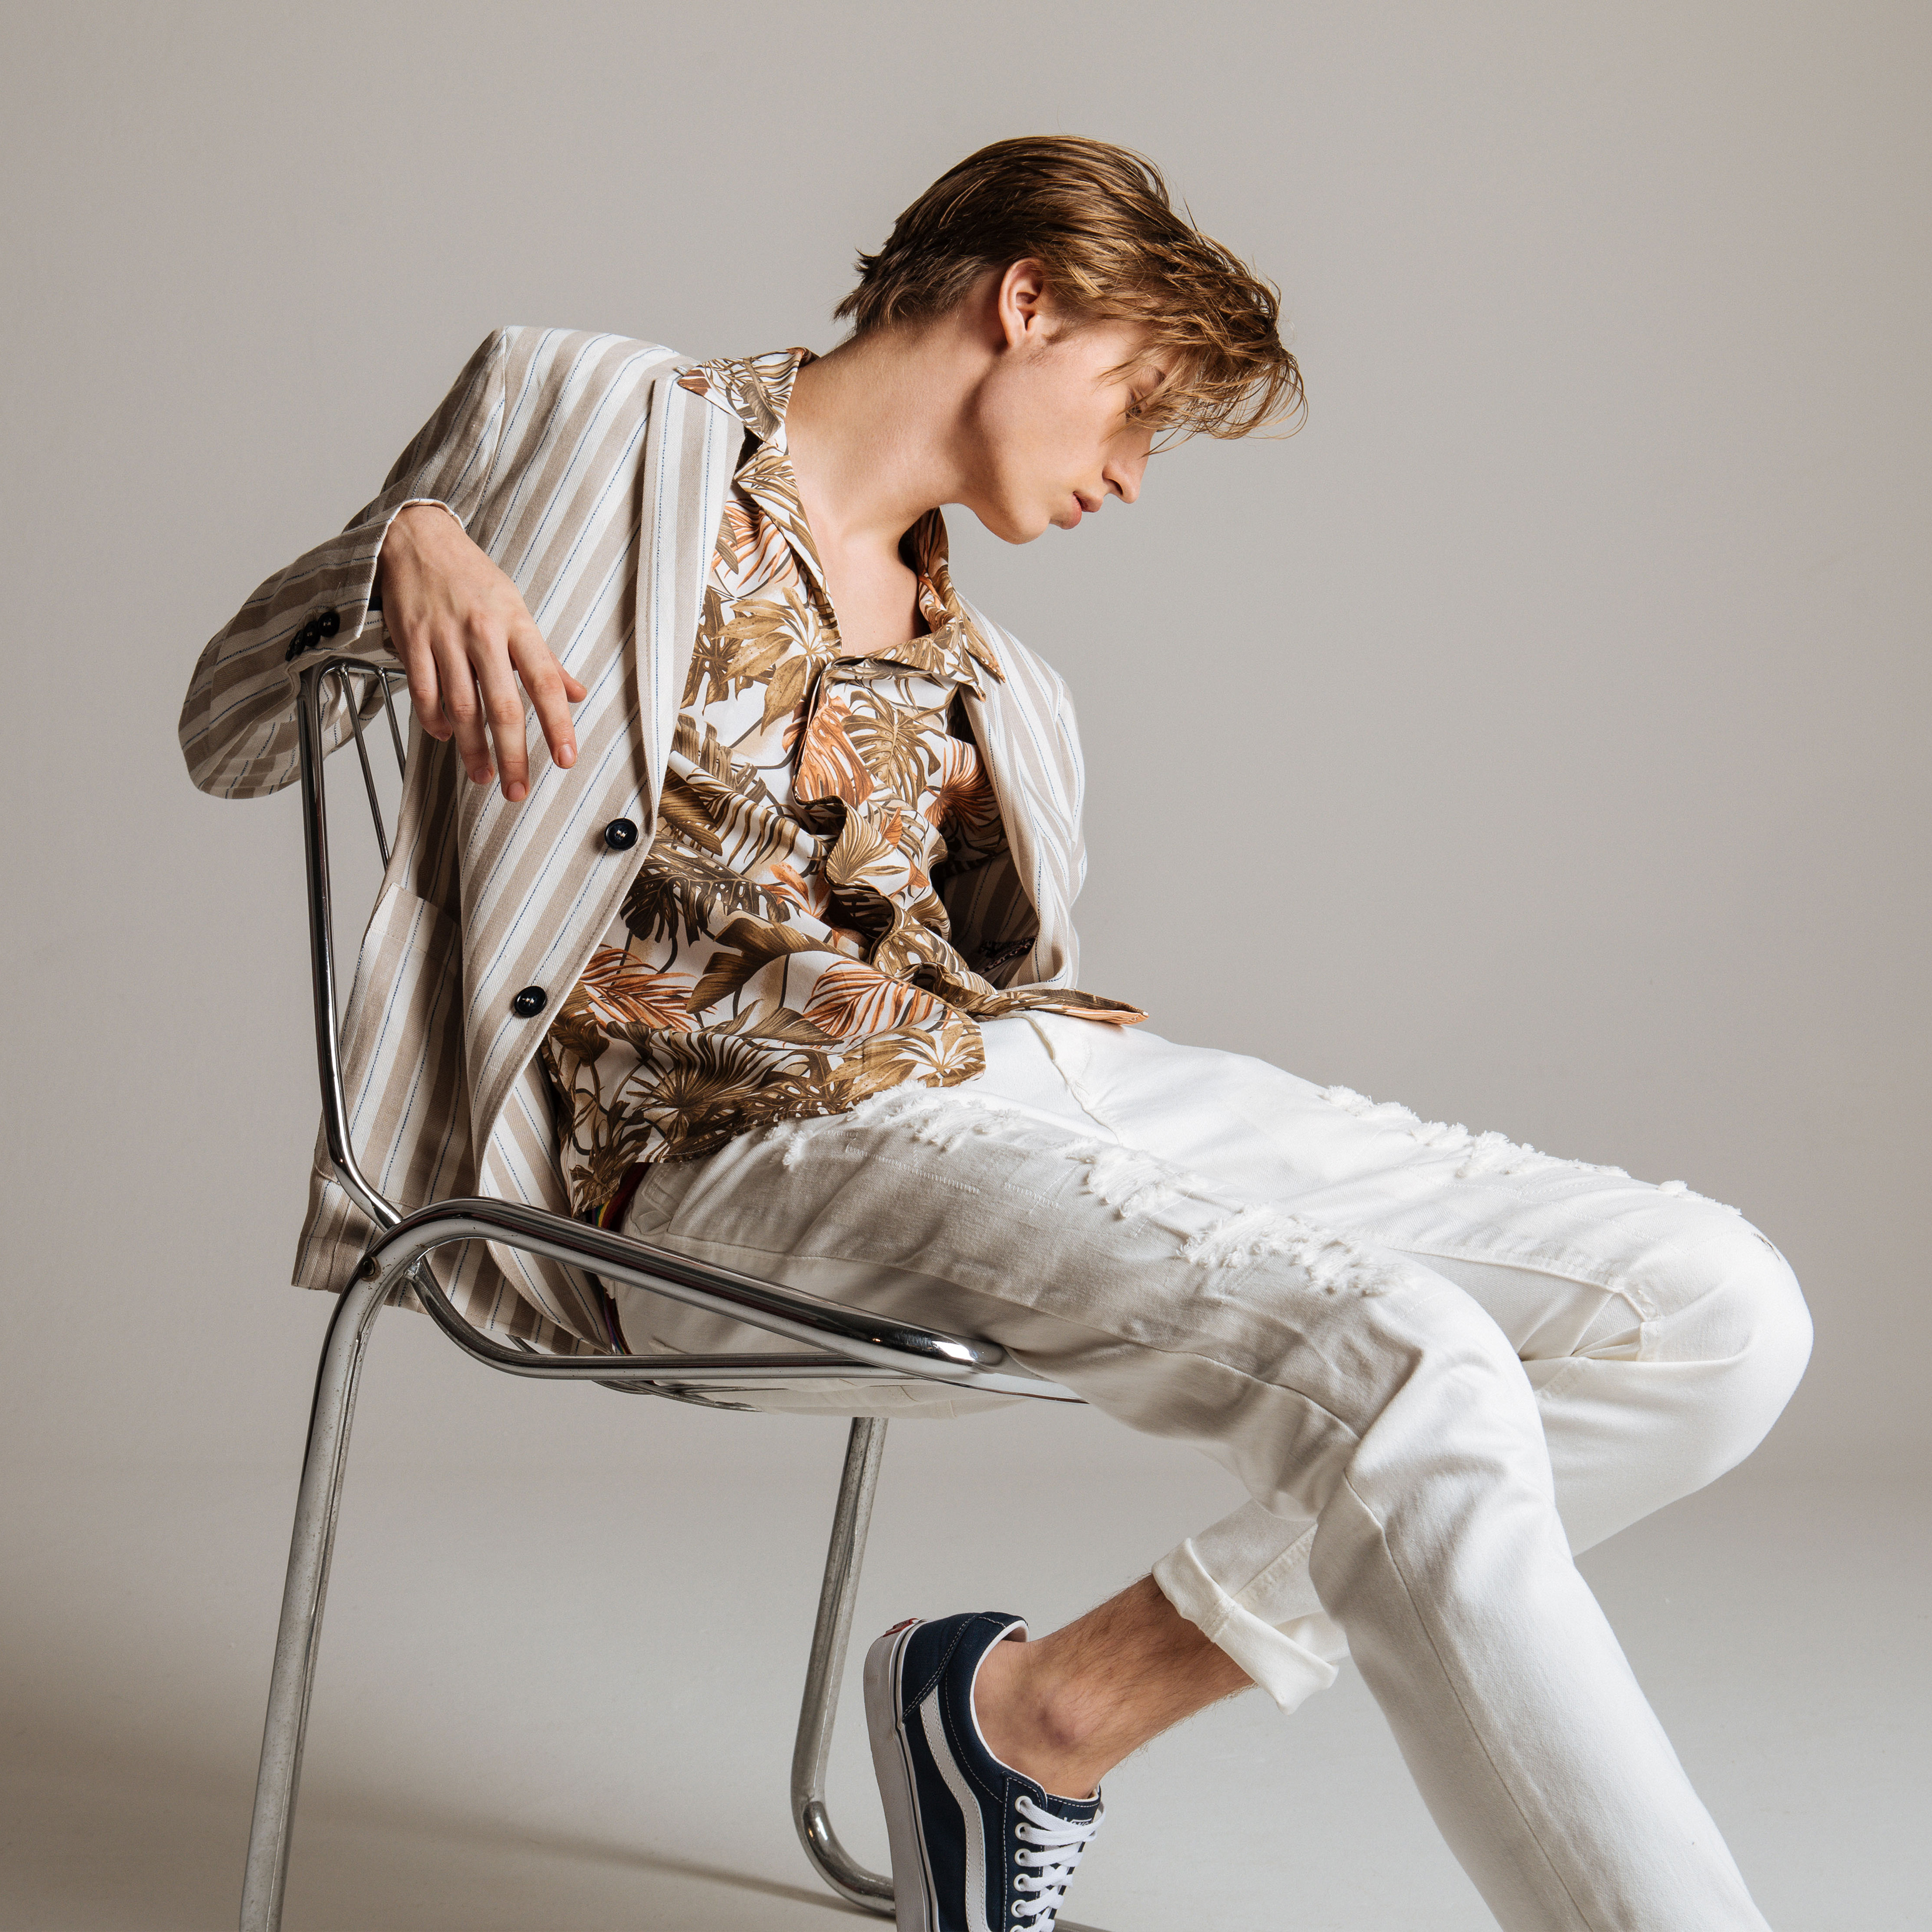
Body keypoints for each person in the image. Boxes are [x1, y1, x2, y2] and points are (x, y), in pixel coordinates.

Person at [180, 136, 1811, 1932]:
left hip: (1025, 1080)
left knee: (1716, 1313)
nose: (1132, 475)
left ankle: (1043, 1716)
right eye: (1136, 409)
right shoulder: (599, 414)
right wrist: (403, 549)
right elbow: (230, 730)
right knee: (1410, 1360)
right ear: (1026, 300)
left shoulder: (1011, 694)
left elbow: (1005, 983)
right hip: (717, 1160)